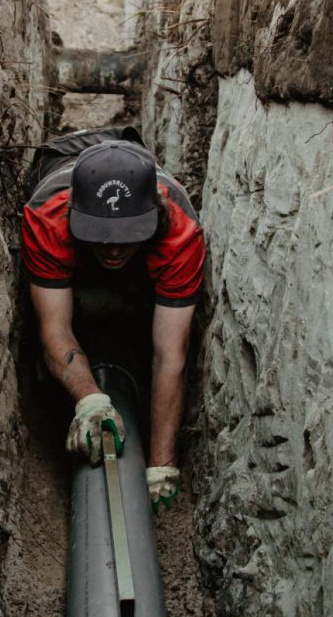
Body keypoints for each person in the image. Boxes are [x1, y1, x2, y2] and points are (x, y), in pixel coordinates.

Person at [21, 129, 205, 511]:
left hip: (133, 186)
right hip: (59, 160)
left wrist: (161, 465)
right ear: (76, 216)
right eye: (101, 236)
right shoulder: (48, 216)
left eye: (127, 235)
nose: (115, 248)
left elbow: (170, 355)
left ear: (153, 216)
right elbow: (54, 328)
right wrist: (89, 400)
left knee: (132, 304)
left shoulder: (179, 233)